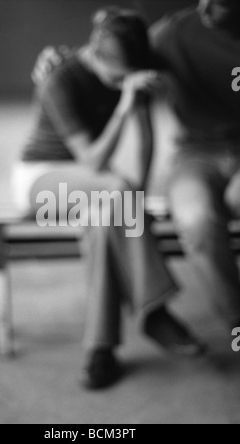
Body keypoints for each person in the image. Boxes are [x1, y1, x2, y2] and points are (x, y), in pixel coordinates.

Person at [13, 7, 204, 391]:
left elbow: (147, 137)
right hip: (42, 182)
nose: (122, 86)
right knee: (116, 188)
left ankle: (100, 350)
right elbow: (94, 160)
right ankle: (156, 308)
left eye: (127, 80)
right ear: (94, 56)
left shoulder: (134, 65)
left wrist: (137, 200)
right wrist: (123, 105)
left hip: (91, 188)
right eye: (116, 80)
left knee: (106, 219)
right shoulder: (59, 78)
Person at [150, 0, 240, 331]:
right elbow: (113, 50)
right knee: (196, 218)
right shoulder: (174, 32)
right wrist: (65, 63)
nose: (204, 7)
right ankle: (236, 321)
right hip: (195, 154)